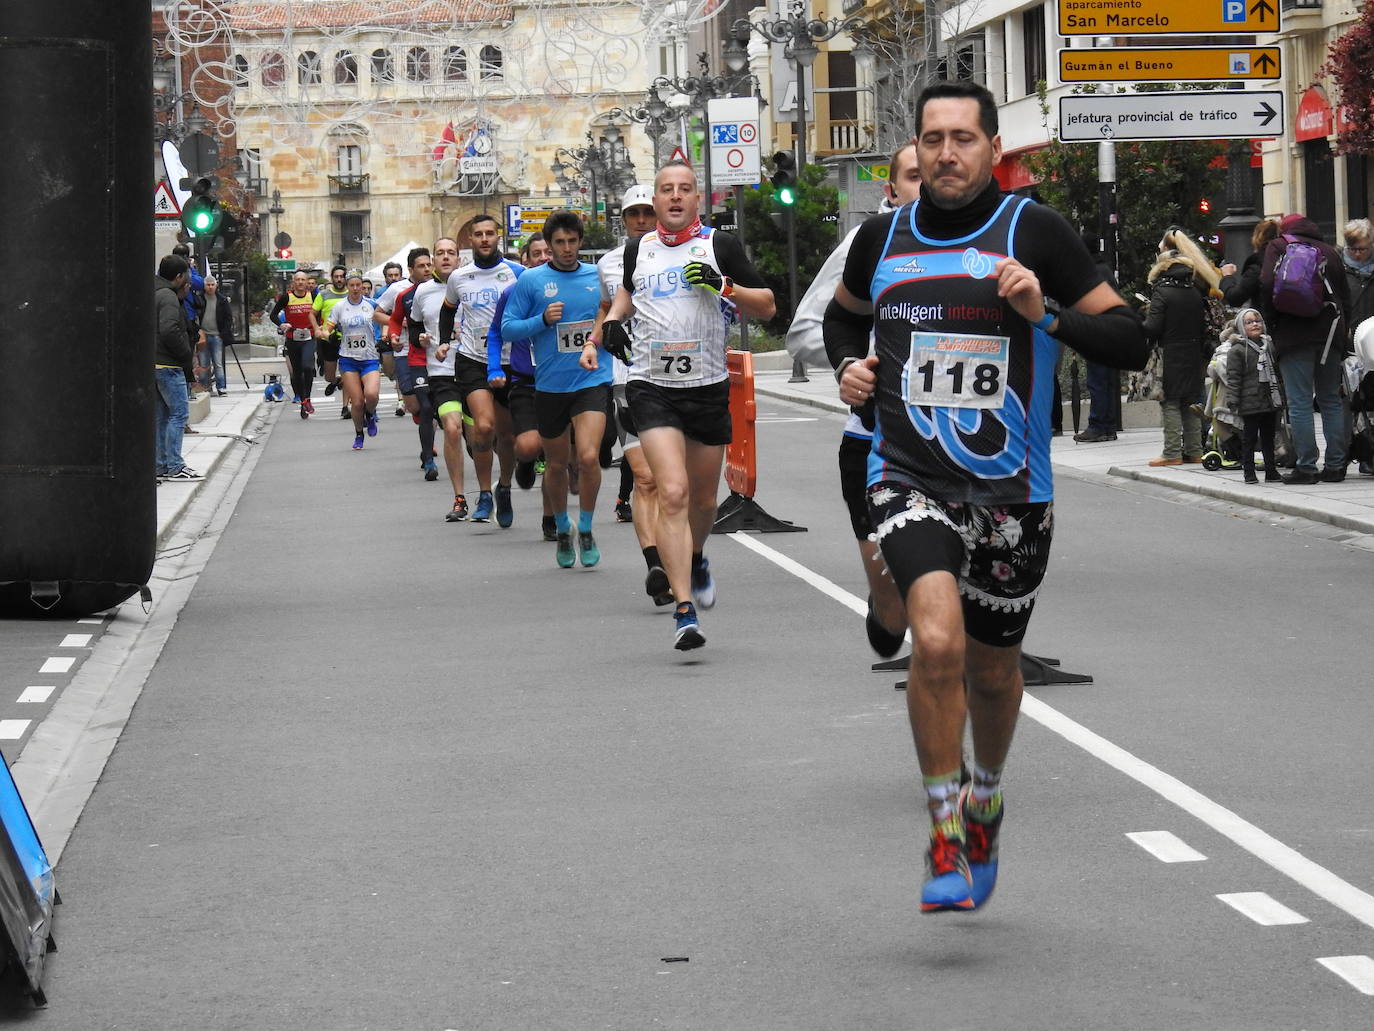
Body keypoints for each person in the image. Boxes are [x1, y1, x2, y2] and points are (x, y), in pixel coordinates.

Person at [823, 80, 1147, 913]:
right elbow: (842, 320)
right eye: (932, 138)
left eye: (963, 137)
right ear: (917, 149)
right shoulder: (880, 238)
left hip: (1012, 489)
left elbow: (1127, 336)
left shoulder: (1034, 230)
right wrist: (850, 367)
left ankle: (985, 796)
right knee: (935, 643)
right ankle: (942, 826)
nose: (945, 153)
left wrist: (1044, 315)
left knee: (995, 671)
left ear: (992, 148)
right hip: (906, 472)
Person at [591, 161, 775, 650]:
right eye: (666, 190)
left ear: (698, 199)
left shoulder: (720, 246)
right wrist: (613, 320)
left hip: (708, 385)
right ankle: (684, 609)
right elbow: (628, 293)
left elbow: (769, 305)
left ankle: (695, 559)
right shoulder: (637, 250)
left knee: (702, 500)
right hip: (652, 386)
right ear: (655, 201)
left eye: (685, 190)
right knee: (669, 491)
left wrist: (723, 286)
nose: (675, 197)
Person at [786, 141, 921, 655]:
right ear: (891, 189)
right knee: (893, 607)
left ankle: (952, 655)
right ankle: (889, 607)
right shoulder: (868, 244)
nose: (925, 186)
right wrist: (852, 363)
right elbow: (803, 332)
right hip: (874, 440)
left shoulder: (986, 243)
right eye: (912, 176)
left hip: (960, 444)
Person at [502, 212, 610, 567]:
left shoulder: (597, 277)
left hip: (591, 379)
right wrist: (542, 320)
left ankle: (588, 526)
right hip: (549, 385)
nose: (566, 249)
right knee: (557, 464)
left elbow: (612, 314)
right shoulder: (532, 281)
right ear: (548, 246)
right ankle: (563, 526)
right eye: (559, 243)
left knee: (590, 457)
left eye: (573, 241)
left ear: (580, 241)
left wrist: (599, 336)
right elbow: (508, 329)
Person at [597, 185, 671, 604]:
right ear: (622, 219)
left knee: (675, 485)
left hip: (677, 380)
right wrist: (596, 341)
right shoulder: (609, 263)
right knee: (644, 478)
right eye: (633, 214)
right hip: (628, 378)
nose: (641, 219)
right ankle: (655, 566)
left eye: (648, 211)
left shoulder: (685, 255)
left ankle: (680, 555)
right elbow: (606, 309)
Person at [439, 215, 525, 526]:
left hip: (509, 360)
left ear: (498, 237)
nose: (485, 239)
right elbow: (448, 311)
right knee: (483, 428)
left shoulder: (517, 273)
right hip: (473, 359)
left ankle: (504, 487)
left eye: (490, 233)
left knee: (508, 435)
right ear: (470, 240)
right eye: (479, 234)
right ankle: (485, 493)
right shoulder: (460, 277)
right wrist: (445, 340)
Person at [1259, 213, 1352, 483]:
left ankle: (1307, 467)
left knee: (1299, 403)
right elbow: (1345, 297)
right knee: (1331, 401)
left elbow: (1266, 283)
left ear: (1284, 230)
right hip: (1330, 335)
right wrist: (1341, 334)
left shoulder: (1278, 246)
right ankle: (1335, 466)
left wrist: (1273, 322)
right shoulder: (1331, 252)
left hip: (1293, 334)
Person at [411, 238, 469, 519]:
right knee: (452, 428)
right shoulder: (422, 292)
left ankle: (492, 490)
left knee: (483, 437)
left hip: (474, 369)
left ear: (459, 258)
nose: (445, 257)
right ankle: (459, 498)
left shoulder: (472, 285)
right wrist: (420, 338)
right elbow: (414, 328)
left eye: (451, 253)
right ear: (432, 259)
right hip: (441, 371)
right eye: (440, 253)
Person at [1142, 232, 1211, 466]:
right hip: (1193, 352)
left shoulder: (1162, 291)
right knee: (1190, 401)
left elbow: (1153, 327)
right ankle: (1195, 451)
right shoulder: (1193, 291)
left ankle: (1171, 453)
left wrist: (1142, 319)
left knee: (1170, 401)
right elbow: (1202, 326)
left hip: (1170, 352)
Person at [376, 248, 436, 477]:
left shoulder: (442, 289)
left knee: (430, 406)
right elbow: (381, 314)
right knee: (416, 406)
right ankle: (426, 433)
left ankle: (428, 452)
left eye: (429, 264)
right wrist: (396, 331)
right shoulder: (400, 291)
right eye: (422, 266)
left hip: (435, 356)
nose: (427, 269)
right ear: (411, 270)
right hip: (405, 354)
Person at [319, 270, 381, 450]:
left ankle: (370, 414)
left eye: (358, 285)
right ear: (347, 287)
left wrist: (386, 335)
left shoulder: (371, 304)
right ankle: (359, 433)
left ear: (363, 287)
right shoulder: (339, 306)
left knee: (371, 395)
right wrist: (325, 333)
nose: (355, 289)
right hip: (348, 360)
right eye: (351, 285)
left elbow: (385, 320)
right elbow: (329, 326)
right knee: (358, 401)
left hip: (369, 358)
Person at [154, 255, 201, 481]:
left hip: (155, 363)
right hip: (169, 365)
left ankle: (161, 464)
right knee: (179, 414)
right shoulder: (168, 297)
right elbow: (169, 330)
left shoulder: (155, 292)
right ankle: (174, 465)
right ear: (179, 276)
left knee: (162, 416)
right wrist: (185, 353)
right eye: (187, 274)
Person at [1223, 308, 1284, 484]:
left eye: (1258, 321)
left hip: (1269, 400)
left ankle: (1271, 470)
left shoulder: (1269, 346)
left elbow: (1278, 374)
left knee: (1268, 438)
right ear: (1241, 327)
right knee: (1249, 439)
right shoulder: (1238, 350)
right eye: (1249, 322)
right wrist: (1232, 400)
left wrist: (1281, 395)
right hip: (1249, 402)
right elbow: (1233, 378)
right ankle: (1248, 472)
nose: (1255, 324)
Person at [1072, 232, 1121, 443]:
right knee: (1108, 381)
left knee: (1097, 381)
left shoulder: (1089, 272)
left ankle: (1098, 425)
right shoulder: (1105, 270)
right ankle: (1109, 425)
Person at [271, 271, 322, 418]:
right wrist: (282, 324)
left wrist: (318, 327)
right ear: (293, 282)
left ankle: (307, 398)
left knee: (308, 367)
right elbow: (273, 314)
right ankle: (302, 400)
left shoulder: (313, 296)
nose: (300, 282)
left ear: (307, 283)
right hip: (292, 338)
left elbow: (320, 313)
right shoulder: (287, 297)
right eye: (297, 280)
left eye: (303, 280)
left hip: (309, 336)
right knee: (297, 372)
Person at [1220, 218, 1279, 310]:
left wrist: (1227, 276)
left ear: (1257, 238)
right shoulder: (1286, 258)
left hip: (1268, 320)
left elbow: (1235, 298)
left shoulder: (1259, 265)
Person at [313, 265, 350, 408]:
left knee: (347, 373)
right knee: (328, 376)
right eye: (336, 277)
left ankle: (345, 407)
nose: (339, 279)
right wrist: (317, 329)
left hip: (348, 339)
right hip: (328, 339)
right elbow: (312, 314)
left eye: (342, 276)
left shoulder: (351, 293)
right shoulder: (323, 295)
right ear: (332, 278)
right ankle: (336, 382)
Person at [201, 276, 234, 396]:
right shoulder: (200, 299)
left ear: (216, 285)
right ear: (204, 286)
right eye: (208, 285)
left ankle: (221, 387)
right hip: (203, 336)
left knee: (218, 363)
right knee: (204, 364)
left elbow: (228, 318)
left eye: (212, 284)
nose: (210, 287)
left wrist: (222, 334)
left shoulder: (222, 300)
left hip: (216, 336)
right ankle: (205, 387)